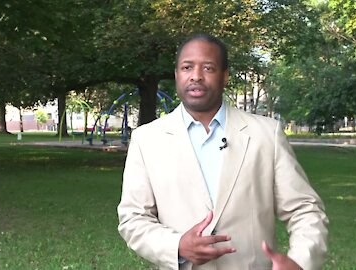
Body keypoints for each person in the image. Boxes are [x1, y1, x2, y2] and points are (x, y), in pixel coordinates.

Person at [117, 33, 328, 270]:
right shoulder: (147, 139)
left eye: (208, 68)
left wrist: (300, 261)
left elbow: (304, 209)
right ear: (177, 75)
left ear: (225, 76)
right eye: (187, 67)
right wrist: (176, 246)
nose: (196, 76)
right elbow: (133, 219)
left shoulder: (266, 134)